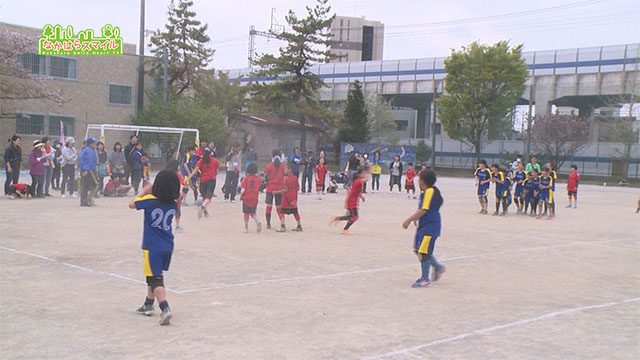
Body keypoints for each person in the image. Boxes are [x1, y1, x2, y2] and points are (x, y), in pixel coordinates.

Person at [129, 170, 180, 326]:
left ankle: (165, 308)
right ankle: (148, 304)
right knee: (154, 274)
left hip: (153, 246)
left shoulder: (150, 200)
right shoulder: (173, 204)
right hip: (167, 245)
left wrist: (144, 190)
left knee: (155, 278)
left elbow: (131, 204)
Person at [402, 169, 446, 288]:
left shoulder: (430, 191)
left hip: (430, 227)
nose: (418, 182)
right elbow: (423, 209)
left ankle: (425, 279)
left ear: (423, 181)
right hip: (425, 225)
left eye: (419, 179)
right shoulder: (427, 192)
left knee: (423, 251)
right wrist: (417, 218)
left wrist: (409, 220)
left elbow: (424, 209)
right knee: (418, 249)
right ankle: (438, 267)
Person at [331, 168, 366, 235]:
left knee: (351, 216)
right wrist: (366, 178)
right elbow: (361, 182)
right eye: (363, 174)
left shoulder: (356, 181)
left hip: (353, 202)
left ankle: (337, 219)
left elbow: (357, 191)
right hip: (352, 202)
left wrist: (361, 197)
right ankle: (345, 229)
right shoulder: (358, 181)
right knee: (354, 216)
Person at [188, 147, 219, 219]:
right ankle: (202, 207)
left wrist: (189, 177)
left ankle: (205, 212)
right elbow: (217, 170)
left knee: (204, 197)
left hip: (203, 181)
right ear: (211, 153)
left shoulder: (201, 161)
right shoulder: (215, 160)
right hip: (211, 180)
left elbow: (195, 170)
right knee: (208, 198)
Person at [264, 149, 286, 230]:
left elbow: (266, 178)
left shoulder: (269, 166)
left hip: (270, 189)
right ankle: (282, 224)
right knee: (279, 207)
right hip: (280, 189)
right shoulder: (283, 166)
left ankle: (268, 224)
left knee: (269, 206)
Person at [240, 163, 262, 233]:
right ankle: (257, 221)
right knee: (253, 212)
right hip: (254, 197)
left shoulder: (246, 178)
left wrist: (241, 195)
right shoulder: (258, 179)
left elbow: (242, 189)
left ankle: (246, 227)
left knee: (246, 213)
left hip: (246, 198)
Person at [280, 163, 303, 232]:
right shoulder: (295, 178)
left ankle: (283, 226)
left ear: (290, 170)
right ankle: (299, 225)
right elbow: (298, 188)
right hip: (293, 199)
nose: (284, 170)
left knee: (282, 212)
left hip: (286, 199)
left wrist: (277, 191)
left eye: (286, 168)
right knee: (295, 212)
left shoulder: (285, 179)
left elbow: (285, 189)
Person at [79, 137, 99, 207]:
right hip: (89, 170)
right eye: (93, 143)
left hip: (88, 169)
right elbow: (88, 161)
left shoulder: (87, 150)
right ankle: (87, 200)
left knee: (86, 185)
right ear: (90, 144)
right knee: (94, 185)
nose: (95, 144)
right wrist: (86, 170)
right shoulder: (89, 151)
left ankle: (86, 200)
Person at [166, 160, 185, 233]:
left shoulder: (165, 174)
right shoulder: (178, 175)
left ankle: (166, 225)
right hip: (176, 195)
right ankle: (177, 226)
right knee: (177, 210)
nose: (180, 167)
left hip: (166, 194)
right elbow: (180, 185)